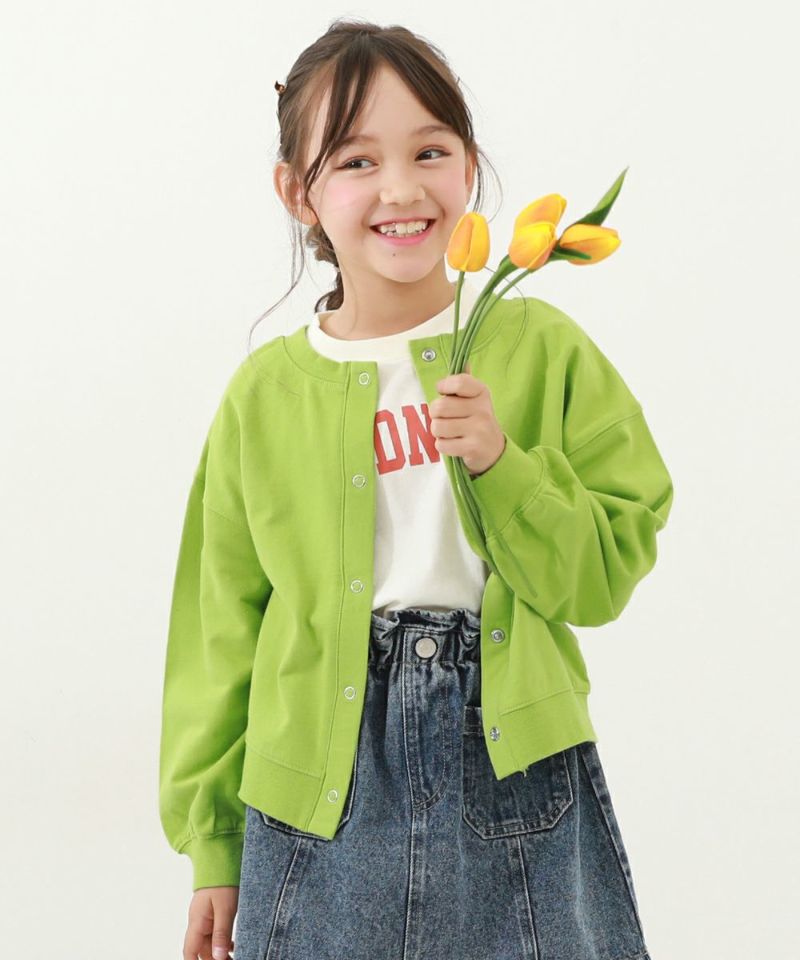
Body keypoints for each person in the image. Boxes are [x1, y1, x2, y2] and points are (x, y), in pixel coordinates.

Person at [158, 18, 674, 960]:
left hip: (519, 781)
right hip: (316, 797)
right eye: (356, 161)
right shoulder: (264, 396)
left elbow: (604, 572)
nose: (400, 188)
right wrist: (214, 846)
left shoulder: (541, 349)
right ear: (297, 192)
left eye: (429, 151)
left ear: (469, 167)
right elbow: (218, 630)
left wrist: (504, 466)